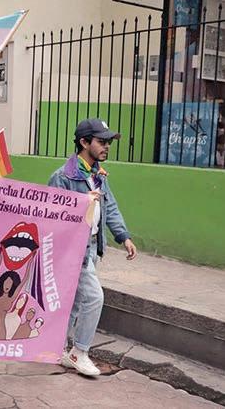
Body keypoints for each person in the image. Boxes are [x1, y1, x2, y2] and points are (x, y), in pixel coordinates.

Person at [48, 118, 137, 377]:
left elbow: (110, 207)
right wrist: (81, 203)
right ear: (84, 142)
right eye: (101, 141)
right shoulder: (62, 177)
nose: (107, 146)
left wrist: (123, 236)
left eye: (109, 142)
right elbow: (53, 216)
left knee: (74, 302)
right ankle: (80, 352)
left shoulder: (97, 174)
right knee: (94, 298)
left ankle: (56, 348)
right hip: (73, 251)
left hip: (93, 247)